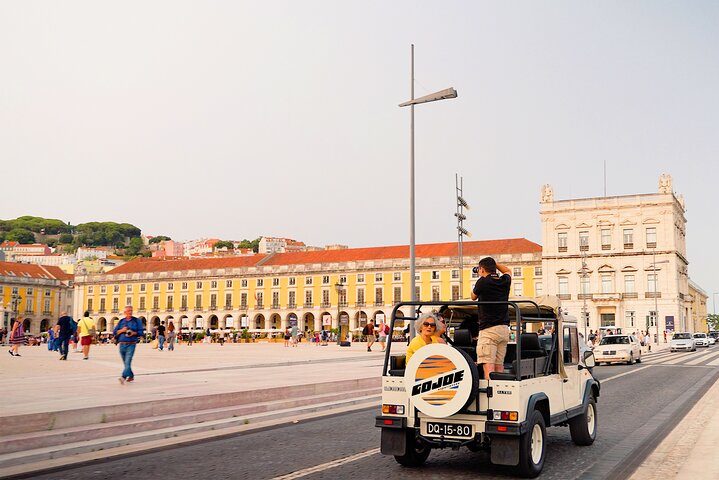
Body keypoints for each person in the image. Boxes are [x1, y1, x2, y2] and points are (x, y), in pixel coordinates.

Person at [471, 257, 512, 379]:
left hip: (489, 330)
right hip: (504, 329)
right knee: (499, 366)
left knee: (488, 366)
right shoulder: (504, 281)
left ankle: (490, 394)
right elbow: (508, 271)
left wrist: (482, 276)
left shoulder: (482, 282)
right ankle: (499, 392)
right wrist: (494, 264)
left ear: (482, 269)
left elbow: (473, 296)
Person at [113, 306, 145, 384]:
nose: (130, 312)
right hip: (122, 344)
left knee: (128, 361)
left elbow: (141, 332)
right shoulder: (121, 321)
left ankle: (123, 377)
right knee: (126, 363)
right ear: (125, 312)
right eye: (128, 311)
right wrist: (122, 330)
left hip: (131, 344)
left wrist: (133, 333)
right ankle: (130, 376)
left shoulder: (136, 321)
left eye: (131, 311)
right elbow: (114, 332)